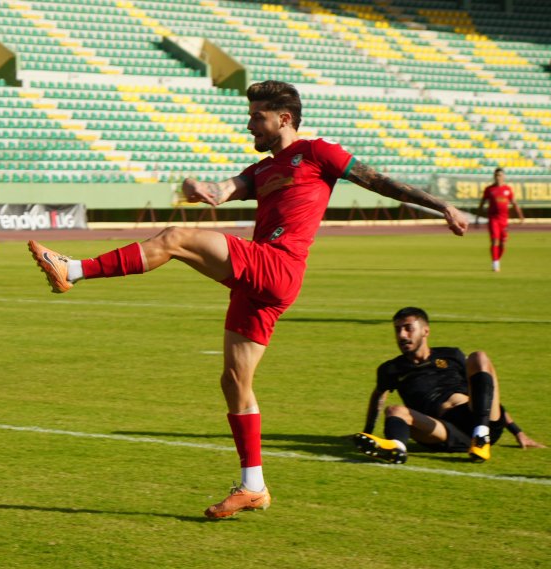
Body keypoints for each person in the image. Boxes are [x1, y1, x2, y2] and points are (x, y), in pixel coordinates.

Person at [27, 80, 469, 519]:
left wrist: (440, 206)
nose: (249, 124)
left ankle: (75, 270)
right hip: (261, 281)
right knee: (234, 382)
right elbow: (220, 192)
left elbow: (379, 181)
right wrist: (195, 187)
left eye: (257, 116)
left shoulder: (317, 153)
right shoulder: (261, 170)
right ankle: (253, 485)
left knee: (176, 239)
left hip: (278, 266)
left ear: (285, 119)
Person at [354, 307, 544, 465]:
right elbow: (378, 396)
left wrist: (517, 432)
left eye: (408, 328)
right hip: (443, 428)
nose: (402, 335)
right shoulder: (391, 369)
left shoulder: (451, 355)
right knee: (394, 410)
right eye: (397, 330)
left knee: (479, 357)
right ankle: (396, 448)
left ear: (425, 331)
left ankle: (480, 436)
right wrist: (367, 432)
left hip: (480, 419)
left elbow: (484, 391)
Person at [476, 167, 524, 272]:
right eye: (497, 175)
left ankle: (497, 259)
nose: (498, 177)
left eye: (500, 175)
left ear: (504, 177)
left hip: (504, 220)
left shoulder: (508, 189)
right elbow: (482, 203)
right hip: (493, 219)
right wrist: (477, 217)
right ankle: (495, 263)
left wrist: (520, 215)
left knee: (503, 243)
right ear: (494, 176)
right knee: (494, 240)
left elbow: (514, 203)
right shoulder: (489, 189)